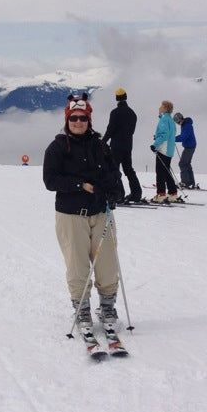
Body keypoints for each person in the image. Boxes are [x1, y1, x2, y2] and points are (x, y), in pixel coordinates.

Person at [43, 96, 124, 331]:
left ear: (89, 119)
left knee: (107, 261)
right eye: (74, 118)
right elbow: (50, 180)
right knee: (77, 264)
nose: (79, 122)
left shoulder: (100, 145)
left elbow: (113, 174)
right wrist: (80, 185)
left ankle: (108, 306)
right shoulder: (57, 147)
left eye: (83, 118)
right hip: (71, 215)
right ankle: (82, 309)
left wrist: (115, 192)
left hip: (101, 212)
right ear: (67, 120)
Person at [101, 87, 142, 202]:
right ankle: (136, 194)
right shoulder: (132, 113)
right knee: (129, 169)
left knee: (115, 170)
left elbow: (110, 129)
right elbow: (132, 131)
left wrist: (103, 141)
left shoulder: (115, 112)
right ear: (126, 97)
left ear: (116, 98)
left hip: (116, 146)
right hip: (128, 145)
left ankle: (119, 195)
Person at [150, 100, 179, 202]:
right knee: (166, 171)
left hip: (163, 149)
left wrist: (155, 144)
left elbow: (164, 135)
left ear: (165, 108)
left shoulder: (164, 120)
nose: (159, 107)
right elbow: (169, 132)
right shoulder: (170, 120)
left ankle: (161, 194)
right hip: (169, 150)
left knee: (160, 172)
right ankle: (172, 193)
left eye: (161, 106)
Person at [173, 112, 197, 188]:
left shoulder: (187, 126)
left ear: (181, 119)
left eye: (178, 122)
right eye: (177, 123)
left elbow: (183, 137)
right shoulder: (185, 125)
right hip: (190, 147)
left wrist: (173, 139)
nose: (178, 123)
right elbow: (183, 136)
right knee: (187, 164)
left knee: (182, 164)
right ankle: (191, 182)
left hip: (189, 147)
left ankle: (185, 183)